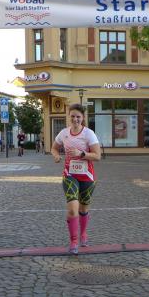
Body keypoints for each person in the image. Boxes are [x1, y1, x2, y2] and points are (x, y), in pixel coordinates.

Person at [51, 104, 101, 254]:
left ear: (83, 118)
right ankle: (73, 241)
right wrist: (56, 156)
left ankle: (83, 234)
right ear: (69, 116)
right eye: (72, 116)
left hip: (87, 177)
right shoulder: (64, 133)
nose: (75, 119)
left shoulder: (89, 134)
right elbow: (54, 148)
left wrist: (81, 154)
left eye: (78, 116)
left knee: (83, 209)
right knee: (73, 209)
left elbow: (97, 156)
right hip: (70, 175)